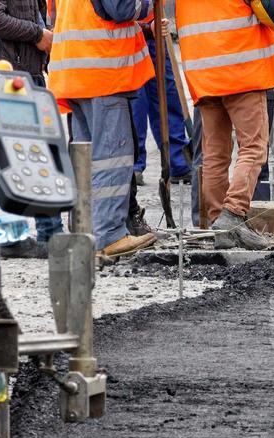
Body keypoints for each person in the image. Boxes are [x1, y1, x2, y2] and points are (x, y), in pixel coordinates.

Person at [174, 0, 274, 249]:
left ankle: (221, 223)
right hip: (242, 71)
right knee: (254, 148)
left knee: (215, 155)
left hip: (204, 74)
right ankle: (233, 214)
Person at [48, 0, 160, 258]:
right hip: (102, 71)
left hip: (77, 73)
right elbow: (122, 8)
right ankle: (109, 235)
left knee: (87, 161)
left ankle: (87, 234)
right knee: (111, 158)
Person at [0, 0, 63, 257]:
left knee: (29, 153)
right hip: (9, 76)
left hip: (21, 71)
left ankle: (40, 235)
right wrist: (39, 35)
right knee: (19, 154)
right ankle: (19, 237)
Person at [131, 23, 192, 185]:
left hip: (156, 33)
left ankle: (178, 163)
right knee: (136, 103)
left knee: (168, 98)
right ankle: (134, 165)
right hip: (130, 36)